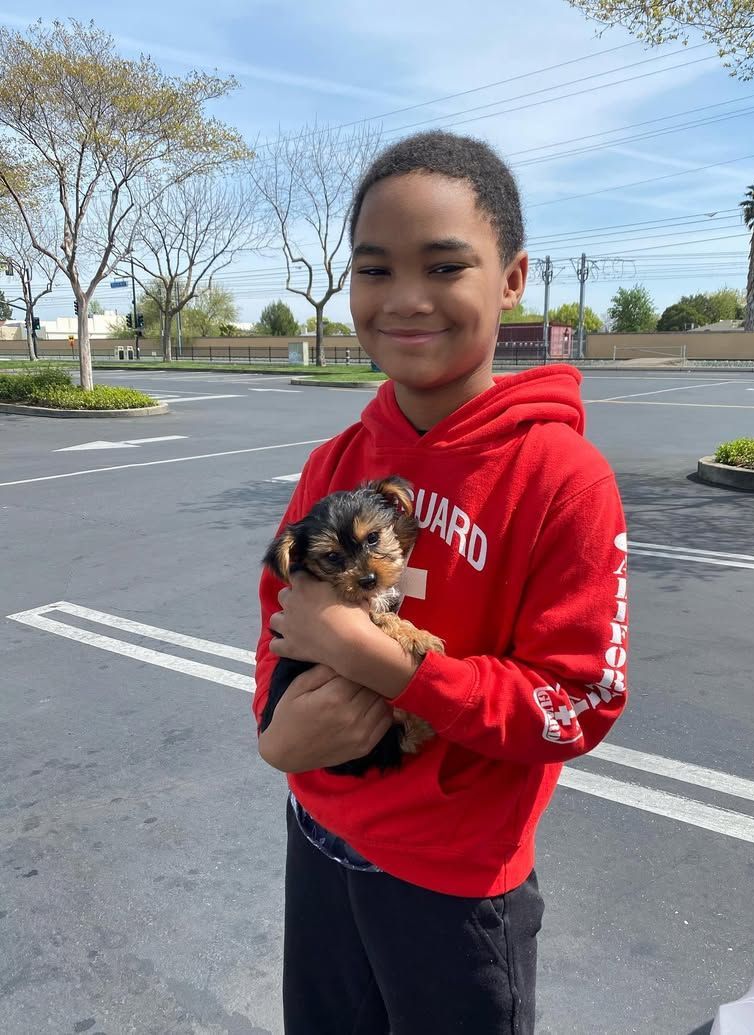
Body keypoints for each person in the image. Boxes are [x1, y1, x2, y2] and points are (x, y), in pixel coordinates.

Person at [254, 130, 629, 1035]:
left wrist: (397, 670)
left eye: (445, 265)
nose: (406, 299)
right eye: (375, 269)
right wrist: (274, 735)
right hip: (317, 839)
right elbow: (279, 618)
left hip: (455, 890)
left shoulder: (564, 477)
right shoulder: (334, 460)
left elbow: (578, 703)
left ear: (512, 279)